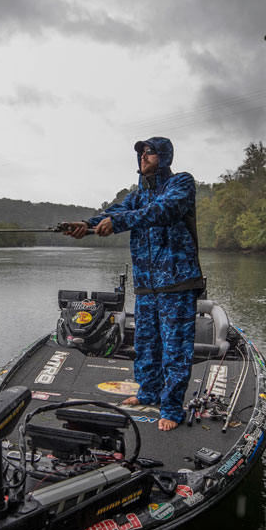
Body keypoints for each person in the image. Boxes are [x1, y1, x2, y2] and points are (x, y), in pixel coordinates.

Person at [65, 137, 204, 431]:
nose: (143, 156)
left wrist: (119, 221)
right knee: (146, 345)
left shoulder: (181, 183)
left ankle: (171, 408)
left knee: (175, 350)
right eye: (141, 152)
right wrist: (85, 226)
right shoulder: (136, 196)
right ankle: (149, 393)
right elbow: (111, 215)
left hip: (177, 283)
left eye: (150, 152)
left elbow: (163, 212)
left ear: (164, 156)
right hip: (146, 286)